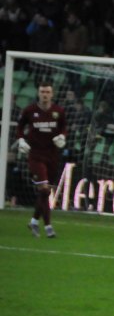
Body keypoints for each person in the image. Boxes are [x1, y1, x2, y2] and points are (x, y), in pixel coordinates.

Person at [15, 81, 67, 238]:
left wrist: (62, 136)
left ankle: (33, 222)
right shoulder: (30, 110)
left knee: (45, 193)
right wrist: (21, 140)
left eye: (47, 92)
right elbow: (19, 128)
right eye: (42, 91)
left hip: (52, 156)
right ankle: (49, 227)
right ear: (39, 93)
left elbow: (64, 127)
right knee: (44, 189)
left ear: (52, 94)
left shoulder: (59, 111)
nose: (45, 94)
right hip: (36, 156)